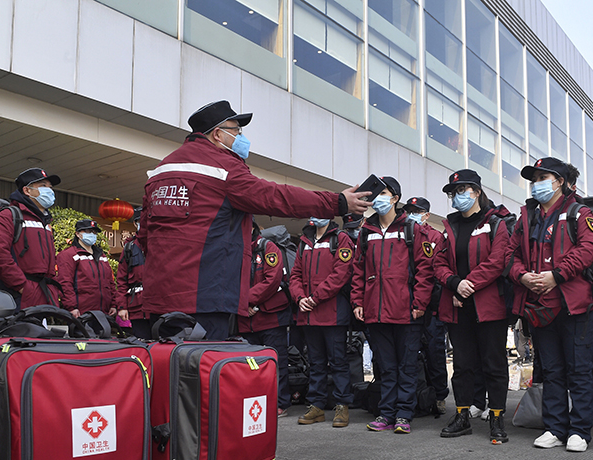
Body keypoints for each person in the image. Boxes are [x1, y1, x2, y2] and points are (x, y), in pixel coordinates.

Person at [137, 100, 370, 340]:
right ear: (218, 134)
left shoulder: (161, 170)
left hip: (159, 298)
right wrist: (337, 203)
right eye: (236, 130)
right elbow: (275, 197)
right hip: (205, 297)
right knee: (201, 368)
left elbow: (144, 236)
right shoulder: (223, 168)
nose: (240, 136)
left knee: (167, 368)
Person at [508, 157, 593, 452]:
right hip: (538, 305)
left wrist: (556, 276)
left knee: (579, 369)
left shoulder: (579, 212)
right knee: (551, 368)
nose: (537, 184)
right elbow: (509, 255)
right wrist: (521, 276)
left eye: (543, 177)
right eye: (534, 179)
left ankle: (580, 430)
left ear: (560, 181)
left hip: (573, 303)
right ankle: (555, 427)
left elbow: (590, 249)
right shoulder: (526, 217)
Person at [432, 171, 512, 444]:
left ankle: (497, 417)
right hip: (458, 304)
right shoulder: (450, 226)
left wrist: (469, 284)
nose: (457, 196)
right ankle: (462, 415)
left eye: (463, 189)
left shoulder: (496, 222)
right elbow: (438, 264)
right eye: (454, 192)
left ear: (477, 191)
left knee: (494, 363)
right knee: (463, 365)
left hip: (489, 306)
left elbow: (497, 260)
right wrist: (455, 283)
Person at [352, 176, 433, 434]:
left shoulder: (412, 229)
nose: (378, 198)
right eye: (375, 193)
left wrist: (419, 302)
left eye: (384, 193)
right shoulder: (366, 232)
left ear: (396, 198)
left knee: (407, 366)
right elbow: (358, 272)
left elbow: (425, 270)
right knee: (385, 366)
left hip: (406, 311)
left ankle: (404, 415)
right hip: (375, 312)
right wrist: (358, 302)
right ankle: (386, 413)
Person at [289, 217, 355, 427]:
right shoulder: (304, 242)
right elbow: (295, 275)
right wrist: (300, 298)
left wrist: (315, 297)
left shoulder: (341, 239)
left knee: (338, 362)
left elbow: (340, 274)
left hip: (332, 313)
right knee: (315, 362)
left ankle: (342, 405)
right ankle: (316, 405)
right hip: (308, 313)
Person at [236, 222, 292, 417]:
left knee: (275, 363)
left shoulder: (267, 247)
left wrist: (247, 301)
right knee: (249, 366)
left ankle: (279, 403)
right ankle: (254, 403)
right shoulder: (235, 250)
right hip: (245, 320)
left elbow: (272, 280)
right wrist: (242, 305)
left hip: (271, 318)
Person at [0, 167, 61, 308]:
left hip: (43, 295)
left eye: (50, 187)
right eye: (43, 186)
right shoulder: (8, 216)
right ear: (27, 190)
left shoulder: (45, 222)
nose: (49, 190)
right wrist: (22, 286)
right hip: (17, 298)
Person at [402, 196, 451, 414]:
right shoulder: (402, 234)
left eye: (417, 211)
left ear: (426, 214)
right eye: (409, 210)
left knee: (434, 352)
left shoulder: (435, 236)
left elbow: (436, 270)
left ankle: (439, 395)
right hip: (407, 304)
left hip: (432, 306)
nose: (412, 214)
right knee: (409, 355)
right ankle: (414, 396)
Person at [56, 219, 116, 317]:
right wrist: (72, 307)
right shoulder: (68, 255)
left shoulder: (102, 256)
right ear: (77, 233)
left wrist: (113, 304)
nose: (92, 234)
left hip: (104, 313)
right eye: (88, 231)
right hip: (81, 314)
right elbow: (65, 283)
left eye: (94, 232)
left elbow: (110, 283)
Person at [116, 207, 150, 339]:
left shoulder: (159, 244)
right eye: (140, 221)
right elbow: (121, 280)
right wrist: (122, 306)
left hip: (159, 306)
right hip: (137, 308)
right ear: (135, 224)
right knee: (141, 344)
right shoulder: (129, 248)